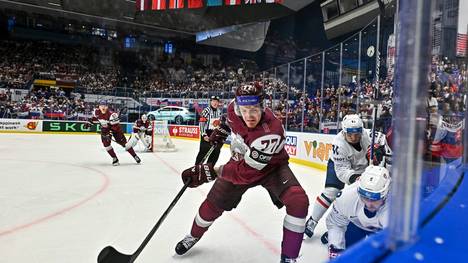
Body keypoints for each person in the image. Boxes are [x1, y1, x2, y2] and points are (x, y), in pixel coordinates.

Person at [175, 83, 309, 263]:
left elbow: (246, 173)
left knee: (298, 201)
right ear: (238, 106)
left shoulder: (271, 132)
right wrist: (222, 129)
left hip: (271, 167)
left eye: (254, 110)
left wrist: (211, 171)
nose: (249, 116)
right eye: (244, 110)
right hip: (241, 161)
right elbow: (229, 121)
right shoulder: (232, 108)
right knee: (212, 205)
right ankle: (193, 235)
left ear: (263, 106)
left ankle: (289, 257)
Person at [304, 114, 391, 238]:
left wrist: (381, 149)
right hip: (341, 167)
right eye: (350, 134)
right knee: (332, 192)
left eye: (357, 134)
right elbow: (342, 171)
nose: (354, 137)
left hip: (365, 169)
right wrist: (356, 179)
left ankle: (343, 228)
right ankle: (312, 220)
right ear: (343, 132)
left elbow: (387, 142)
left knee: (366, 198)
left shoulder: (370, 135)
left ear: (362, 130)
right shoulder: (338, 145)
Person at [326, 166, 391, 259]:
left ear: (386, 194)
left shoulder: (397, 208)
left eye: (374, 199)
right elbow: (336, 224)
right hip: (356, 225)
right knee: (348, 256)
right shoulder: (346, 197)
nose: (369, 204)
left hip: (383, 232)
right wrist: (336, 248)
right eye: (365, 197)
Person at [86, 100, 141, 166]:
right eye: (101, 106)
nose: (103, 107)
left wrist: (110, 133)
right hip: (105, 130)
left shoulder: (112, 114)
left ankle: (135, 156)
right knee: (106, 145)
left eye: (105, 106)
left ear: (107, 107)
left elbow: (115, 126)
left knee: (124, 144)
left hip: (116, 130)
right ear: (99, 107)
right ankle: (115, 159)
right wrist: (89, 123)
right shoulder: (96, 112)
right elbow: (95, 118)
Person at [195, 95, 224, 165]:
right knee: (203, 152)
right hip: (207, 133)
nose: (215, 103)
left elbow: (219, 124)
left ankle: (209, 168)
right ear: (210, 102)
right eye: (213, 101)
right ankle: (196, 168)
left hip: (215, 133)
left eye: (217, 101)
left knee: (216, 151)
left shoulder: (219, 112)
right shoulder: (206, 111)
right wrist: (204, 135)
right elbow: (201, 123)